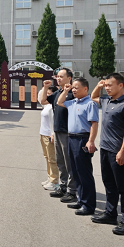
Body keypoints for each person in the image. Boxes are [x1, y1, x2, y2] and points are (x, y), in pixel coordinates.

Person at [90, 73, 124, 235]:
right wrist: (99, 85)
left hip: (118, 151)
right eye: (106, 85)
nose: (107, 88)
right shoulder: (106, 100)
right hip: (105, 149)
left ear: (120, 85)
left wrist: (123, 151)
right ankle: (110, 214)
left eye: (110, 85)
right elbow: (93, 96)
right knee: (109, 183)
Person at [56, 77, 99, 216]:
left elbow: (94, 124)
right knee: (75, 172)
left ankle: (88, 205)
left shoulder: (90, 103)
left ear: (85, 89)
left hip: (82, 139)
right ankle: (81, 200)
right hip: (71, 138)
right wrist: (65, 90)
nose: (73, 90)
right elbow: (59, 102)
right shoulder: (73, 102)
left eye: (76, 87)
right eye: (72, 87)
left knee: (84, 173)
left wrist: (91, 141)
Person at [40, 69, 77, 203]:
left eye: (61, 76)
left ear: (69, 78)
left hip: (68, 132)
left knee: (69, 162)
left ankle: (72, 190)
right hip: (57, 131)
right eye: (57, 76)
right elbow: (43, 100)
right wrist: (45, 87)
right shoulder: (58, 92)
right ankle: (63, 186)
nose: (58, 78)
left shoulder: (73, 93)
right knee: (60, 161)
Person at [39, 86, 59, 190]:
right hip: (43, 134)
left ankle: (54, 181)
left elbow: (55, 121)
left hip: (49, 135)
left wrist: (53, 134)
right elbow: (40, 97)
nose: (47, 95)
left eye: (49, 94)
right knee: (47, 157)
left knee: (52, 159)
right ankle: (49, 177)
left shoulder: (54, 105)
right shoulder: (46, 104)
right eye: (46, 94)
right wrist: (45, 87)